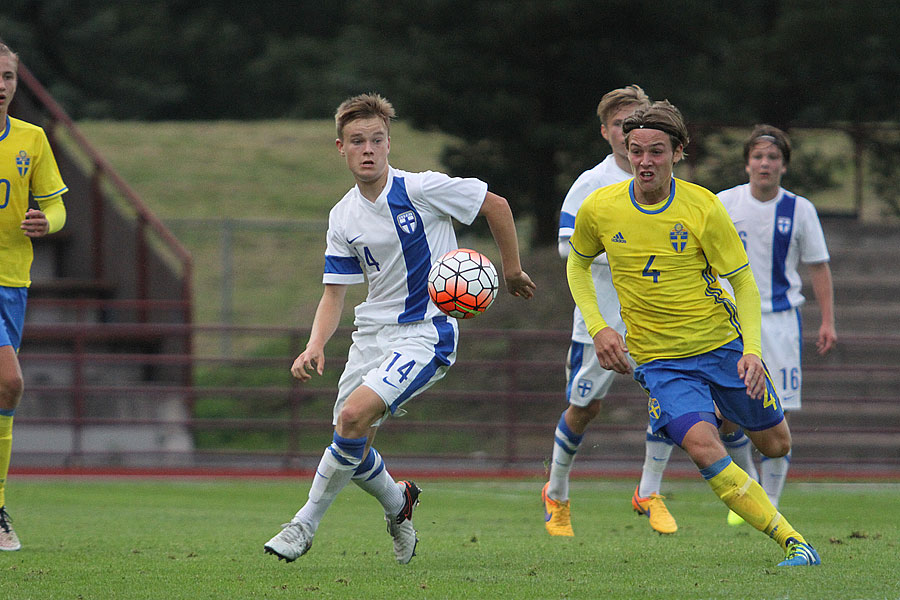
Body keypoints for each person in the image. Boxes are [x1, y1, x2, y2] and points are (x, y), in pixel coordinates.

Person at [263, 93, 535, 565]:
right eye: (356, 141)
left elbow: (497, 205)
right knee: (352, 441)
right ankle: (398, 502)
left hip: (427, 332)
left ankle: (303, 525)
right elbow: (334, 292)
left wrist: (510, 271)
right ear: (341, 148)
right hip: (370, 336)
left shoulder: (421, 188)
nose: (367, 149)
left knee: (351, 419)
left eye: (376, 139)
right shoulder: (342, 215)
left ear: (389, 144)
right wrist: (314, 344)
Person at [566, 100, 820, 566]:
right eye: (636, 150)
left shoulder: (702, 207)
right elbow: (578, 264)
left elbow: (742, 280)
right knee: (703, 448)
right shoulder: (600, 208)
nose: (645, 161)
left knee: (777, 443)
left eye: (657, 152)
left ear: (678, 152)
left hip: (722, 348)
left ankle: (725, 412)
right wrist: (599, 327)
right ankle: (793, 542)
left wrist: (752, 351)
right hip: (659, 364)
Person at [542, 85, 677, 537]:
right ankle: (556, 492)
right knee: (585, 407)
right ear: (606, 132)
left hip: (655, 318)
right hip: (599, 320)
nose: (629, 131)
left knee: (667, 398)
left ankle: (649, 490)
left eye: (637, 121)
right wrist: (623, 253)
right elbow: (566, 245)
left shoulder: (667, 183)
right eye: (621, 124)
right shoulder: (591, 183)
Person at [717, 125, 836, 526]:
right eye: (758, 157)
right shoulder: (723, 203)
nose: (764, 164)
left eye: (772, 158)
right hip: (731, 321)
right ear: (747, 162)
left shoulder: (799, 209)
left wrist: (827, 321)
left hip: (781, 321)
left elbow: (818, 266)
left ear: (783, 165)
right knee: (727, 412)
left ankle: (769, 502)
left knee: (776, 416)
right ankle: (749, 481)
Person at [0, 41, 68, 552]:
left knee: (4, 390)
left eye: (7, 77)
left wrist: (47, 221)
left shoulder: (32, 139)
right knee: (9, 383)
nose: (1, 85)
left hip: (12, 283)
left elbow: (56, 207)